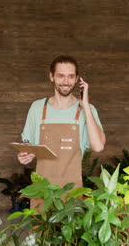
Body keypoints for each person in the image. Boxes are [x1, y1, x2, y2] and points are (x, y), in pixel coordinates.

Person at [17, 55, 106, 194]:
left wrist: (86, 106)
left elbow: (99, 146)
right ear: (51, 76)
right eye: (60, 76)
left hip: (72, 190)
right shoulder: (37, 107)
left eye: (71, 76)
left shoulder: (88, 110)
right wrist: (24, 155)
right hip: (42, 190)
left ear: (77, 79)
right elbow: (28, 145)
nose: (66, 82)